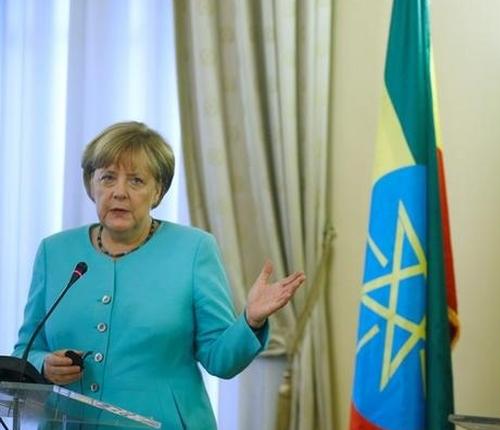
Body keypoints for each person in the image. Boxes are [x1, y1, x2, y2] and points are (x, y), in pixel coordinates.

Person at [12, 121, 305, 429]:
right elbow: (26, 349)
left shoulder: (193, 249)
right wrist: (43, 364)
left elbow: (221, 360)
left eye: (136, 181)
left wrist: (251, 321)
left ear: (158, 190)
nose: (119, 192)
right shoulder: (54, 252)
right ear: (91, 185)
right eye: (108, 178)